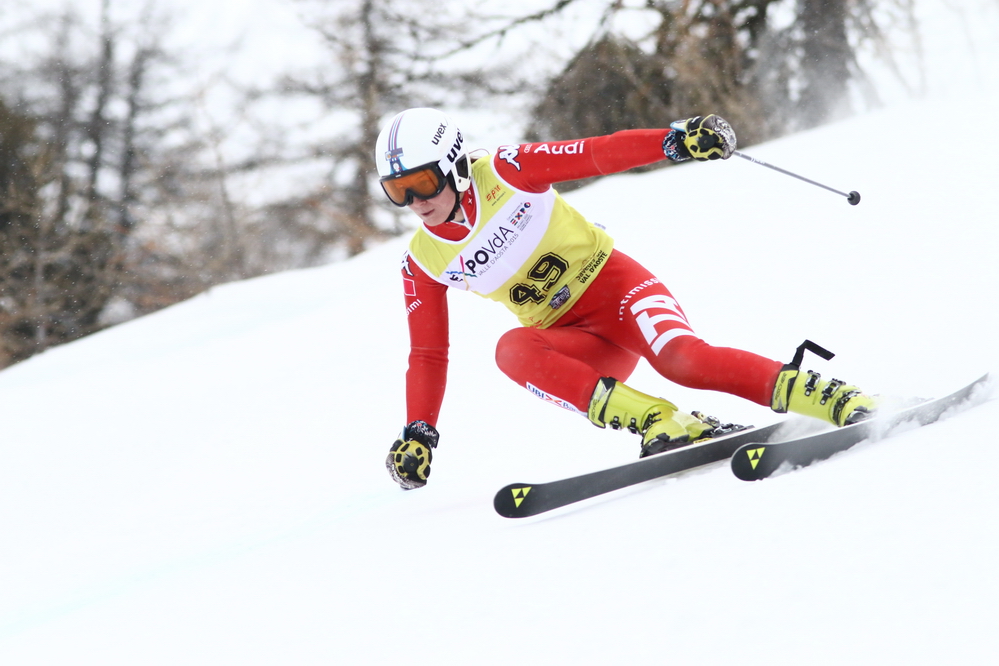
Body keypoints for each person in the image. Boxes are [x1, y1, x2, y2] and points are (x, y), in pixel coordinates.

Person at [377, 107, 876, 490]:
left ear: (455, 165)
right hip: (576, 339)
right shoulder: (424, 260)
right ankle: (662, 420)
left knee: (684, 361)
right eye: (396, 190)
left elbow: (595, 153)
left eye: (421, 182)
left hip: (616, 290)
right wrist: (419, 432)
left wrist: (674, 142)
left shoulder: (506, 172)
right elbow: (427, 353)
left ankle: (830, 397)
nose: (414, 202)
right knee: (511, 349)